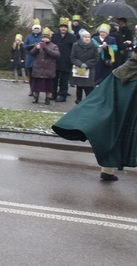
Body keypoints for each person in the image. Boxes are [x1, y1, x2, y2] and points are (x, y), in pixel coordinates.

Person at [52, 43, 137, 181]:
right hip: (131, 115)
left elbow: (102, 95)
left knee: (114, 135)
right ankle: (107, 172)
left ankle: (107, 171)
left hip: (119, 113)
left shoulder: (120, 71)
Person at [29, 27, 60, 104]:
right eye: (43, 38)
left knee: (48, 86)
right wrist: (36, 48)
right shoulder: (38, 44)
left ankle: (47, 98)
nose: (45, 39)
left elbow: (56, 55)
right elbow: (32, 53)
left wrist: (46, 48)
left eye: (46, 38)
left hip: (48, 69)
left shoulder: (54, 46)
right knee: (37, 86)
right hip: (38, 68)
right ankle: (36, 97)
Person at [51, 18, 77, 102]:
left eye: (65, 27)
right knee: (54, 79)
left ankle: (62, 95)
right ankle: (53, 93)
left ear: (67, 28)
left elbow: (74, 49)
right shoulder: (54, 36)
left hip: (66, 62)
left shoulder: (72, 37)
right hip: (55, 61)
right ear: (59, 28)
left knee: (64, 80)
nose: (63, 28)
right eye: (62, 27)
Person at [69, 30, 99, 104]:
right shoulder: (76, 45)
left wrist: (87, 64)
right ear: (82, 38)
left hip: (89, 69)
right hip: (79, 69)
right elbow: (73, 57)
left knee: (89, 87)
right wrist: (80, 64)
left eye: (88, 37)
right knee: (79, 86)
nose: (87, 38)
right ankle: (78, 101)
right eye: (85, 37)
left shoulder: (94, 46)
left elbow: (96, 58)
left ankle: (88, 102)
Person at [23, 23, 43, 95]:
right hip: (30, 58)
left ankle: (38, 90)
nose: (36, 30)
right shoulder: (28, 37)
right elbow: (24, 46)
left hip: (39, 58)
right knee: (31, 75)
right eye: (35, 29)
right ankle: (32, 90)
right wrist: (32, 46)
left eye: (38, 29)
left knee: (38, 76)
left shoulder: (42, 37)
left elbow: (45, 45)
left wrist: (39, 45)